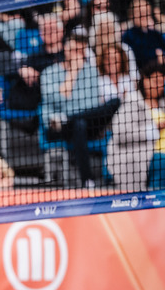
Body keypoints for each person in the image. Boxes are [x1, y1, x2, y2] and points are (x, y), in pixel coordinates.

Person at [41, 31, 120, 187]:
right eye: (73, 50)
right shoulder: (48, 73)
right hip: (57, 128)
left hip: (83, 123)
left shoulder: (91, 71)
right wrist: (72, 73)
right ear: (65, 49)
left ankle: (69, 118)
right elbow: (56, 101)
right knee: (79, 124)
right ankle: (87, 180)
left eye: (80, 51)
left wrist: (69, 114)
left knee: (115, 102)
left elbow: (91, 105)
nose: (77, 55)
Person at [107, 63, 165, 190]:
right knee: (164, 161)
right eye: (155, 81)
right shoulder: (132, 101)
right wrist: (153, 129)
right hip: (143, 154)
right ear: (145, 79)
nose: (158, 85)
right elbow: (120, 133)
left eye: (161, 82)